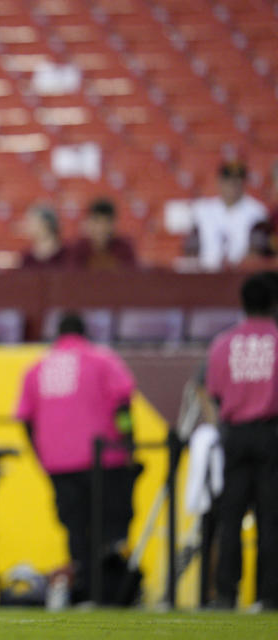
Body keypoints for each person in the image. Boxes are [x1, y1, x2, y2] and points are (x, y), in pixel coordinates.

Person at [15, 313, 138, 604]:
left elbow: (26, 420)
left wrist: (41, 455)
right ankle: (110, 591)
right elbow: (123, 408)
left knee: (75, 530)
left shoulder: (37, 369)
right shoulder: (103, 360)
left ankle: (83, 591)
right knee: (107, 529)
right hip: (104, 460)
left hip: (59, 464)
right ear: (86, 333)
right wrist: (129, 444)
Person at [204, 273, 278, 609]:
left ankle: (226, 593)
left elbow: (213, 393)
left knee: (230, 516)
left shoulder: (223, 343)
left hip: (234, 436)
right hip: (271, 434)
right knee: (271, 518)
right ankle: (268, 595)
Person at [191, 162, 267, 271]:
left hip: (240, 273)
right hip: (206, 274)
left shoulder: (257, 212)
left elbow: (257, 251)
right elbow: (192, 249)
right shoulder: (203, 210)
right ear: (220, 182)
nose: (232, 186)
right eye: (228, 181)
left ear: (244, 183)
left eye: (237, 182)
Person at [70, 198, 137, 270]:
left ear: (114, 225)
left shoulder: (124, 249)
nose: (101, 228)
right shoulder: (77, 250)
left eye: (106, 222)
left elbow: (131, 277)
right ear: (88, 223)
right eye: (97, 222)